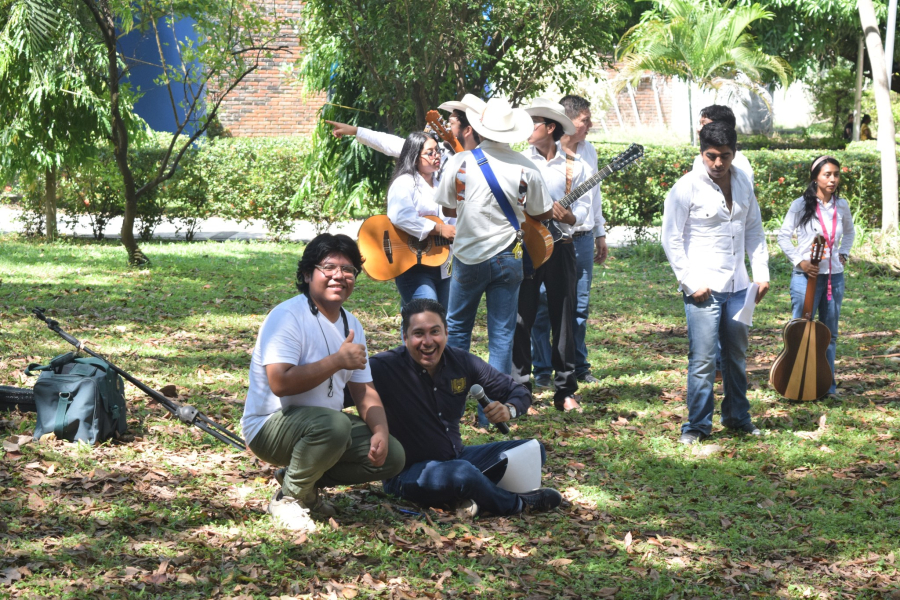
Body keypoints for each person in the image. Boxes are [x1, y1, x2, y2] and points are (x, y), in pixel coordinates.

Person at [240, 234, 405, 532]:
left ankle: (301, 483)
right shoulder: (287, 316)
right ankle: (289, 498)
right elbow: (280, 383)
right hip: (269, 426)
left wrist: (380, 430)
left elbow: (364, 390)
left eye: (349, 270)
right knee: (335, 424)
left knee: (392, 455)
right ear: (307, 274)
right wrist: (336, 361)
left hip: (322, 429)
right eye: (329, 267)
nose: (339, 276)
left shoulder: (351, 324)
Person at [372, 298, 562, 516]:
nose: (428, 341)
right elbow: (341, 395)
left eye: (435, 331)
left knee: (532, 450)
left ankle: (470, 497)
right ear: (405, 337)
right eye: (418, 334)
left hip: (457, 459)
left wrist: (508, 409)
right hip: (407, 474)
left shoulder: (461, 362)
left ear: (446, 333)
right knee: (462, 474)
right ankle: (518, 504)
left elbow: (519, 392)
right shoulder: (383, 367)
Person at [661, 122, 770, 445]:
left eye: (725, 156)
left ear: (734, 154)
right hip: (703, 288)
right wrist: (690, 281)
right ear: (701, 152)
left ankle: (738, 418)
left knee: (736, 356)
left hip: (739, 286)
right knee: (704, 359)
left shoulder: (743, 183)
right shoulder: (686, 187)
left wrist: (761, 272)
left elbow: (755, 230)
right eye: (711, 156)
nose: (718, 163)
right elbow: (671, 238)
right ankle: (696, 426)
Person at [435, 97, 554, 387]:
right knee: (502, 335)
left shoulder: (461, 161)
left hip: (468, 255)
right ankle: (493, 407)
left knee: (458, 328)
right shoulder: (527, 167)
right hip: (508, 256)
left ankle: (455, 396)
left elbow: (448, 208)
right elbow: (541, 211)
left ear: (479, 128)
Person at [513, 98, 589, 412]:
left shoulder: (576, 165)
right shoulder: (517, 161)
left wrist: (570, 218)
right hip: (527, 247)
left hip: (562, 249)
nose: (527, 129)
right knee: (522, 317)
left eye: (533, 123)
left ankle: (565, 391)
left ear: (550, 128)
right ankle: (521, 392)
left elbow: (586, 210)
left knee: (564, 318)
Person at [531, 95, 607, 388]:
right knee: (540, 305)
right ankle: (542, 369)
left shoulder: (589, 153)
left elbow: (593, 196)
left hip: (581, 237)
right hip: (543, 239)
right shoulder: (535, 155)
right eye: (585, 120)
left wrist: (598, 231)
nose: (589, 125)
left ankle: (577, 365)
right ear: (566, 122)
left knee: (578, 307)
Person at [776, 156, 855, 397]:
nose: (832, 179)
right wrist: (800, 261)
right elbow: (783, 236)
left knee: (829, 335)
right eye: (827, 174)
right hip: (804, 278)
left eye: (836, 175)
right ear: (815, 177)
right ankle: (794, 382)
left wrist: (843, 254)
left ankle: (826, 387)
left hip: (834, 278)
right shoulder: (800, 205)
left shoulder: (842, 206)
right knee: (798, 332)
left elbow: (849, 233)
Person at [386, 131, 457, 309]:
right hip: (413, 266)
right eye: (430, 153)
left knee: (442, 319)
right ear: (414, 156)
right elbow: (400, 215)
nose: (436, 156)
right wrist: (438, 229)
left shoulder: (443, 184)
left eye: (438, 151)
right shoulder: (404, 182)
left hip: (444, 264)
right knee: (424, 313)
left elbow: (453, 221)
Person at [324, 93, 486, 161]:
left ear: (468, 130)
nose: (447, 129)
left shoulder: (490, 160)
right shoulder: (440, 154)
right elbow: (393, 144)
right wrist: (356, 131)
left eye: (450, 124)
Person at [692, 105, 754, 183]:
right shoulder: (699, 161)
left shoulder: (740, 165)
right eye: (711, 157)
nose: (699, 129)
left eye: (705, 125)